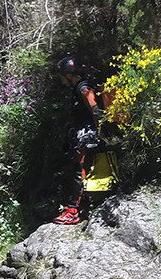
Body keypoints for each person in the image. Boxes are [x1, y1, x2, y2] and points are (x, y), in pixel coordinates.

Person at [53, 56, 118, 225]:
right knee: (78, 170)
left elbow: (95, 110)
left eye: (61, 75)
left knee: (78, 171)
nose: (60, 79)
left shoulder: (83, 88)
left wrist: (99, 133)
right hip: (85, 134)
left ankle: (73, 211)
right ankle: (78, 208)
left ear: (68, 74)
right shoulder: (79, 87)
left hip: (88, 135)